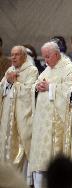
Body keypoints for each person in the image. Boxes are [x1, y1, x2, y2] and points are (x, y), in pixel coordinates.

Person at [29, 41, 72, 188]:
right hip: (42, 123)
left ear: (56, 54)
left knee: (53, 157)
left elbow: (71, 90)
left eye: (48, 57)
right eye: (44, 57)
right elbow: (36, 83)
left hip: (57, 122)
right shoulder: (46, 70)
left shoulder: (69, 68)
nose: (46, 60)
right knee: (40, 158)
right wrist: (37, 86)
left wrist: (51, 87)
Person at [0, 46, 38, 176]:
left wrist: (14, 83)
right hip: (7, 114)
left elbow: (29, 92)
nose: (13, 57)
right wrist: (7, 83)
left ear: (24, 56)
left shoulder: (32, 70)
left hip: (21, 116)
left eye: (17, 54)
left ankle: (21, 178)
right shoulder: (10, 70)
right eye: (12, 55)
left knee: (21, 145)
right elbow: (2, 89)